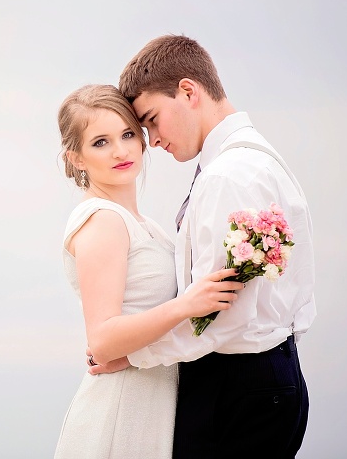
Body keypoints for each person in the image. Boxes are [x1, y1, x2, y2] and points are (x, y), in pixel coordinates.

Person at [90, 35, 316, 459]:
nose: (152, 140)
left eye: (152, 119)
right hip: (268, 376)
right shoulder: (258, 158)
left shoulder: (226, 176)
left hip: (237, 384)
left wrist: (137, 355)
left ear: (188, 91)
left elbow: (219, 317)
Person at [53, 84, 243, 459]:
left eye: (127, 134)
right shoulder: (103, 221)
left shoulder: (144, 224)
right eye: (100, 142)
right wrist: (185, 305)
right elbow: (103, 340)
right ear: (77, 158)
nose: (121, 151)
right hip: (121, 408)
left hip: (151, 399)